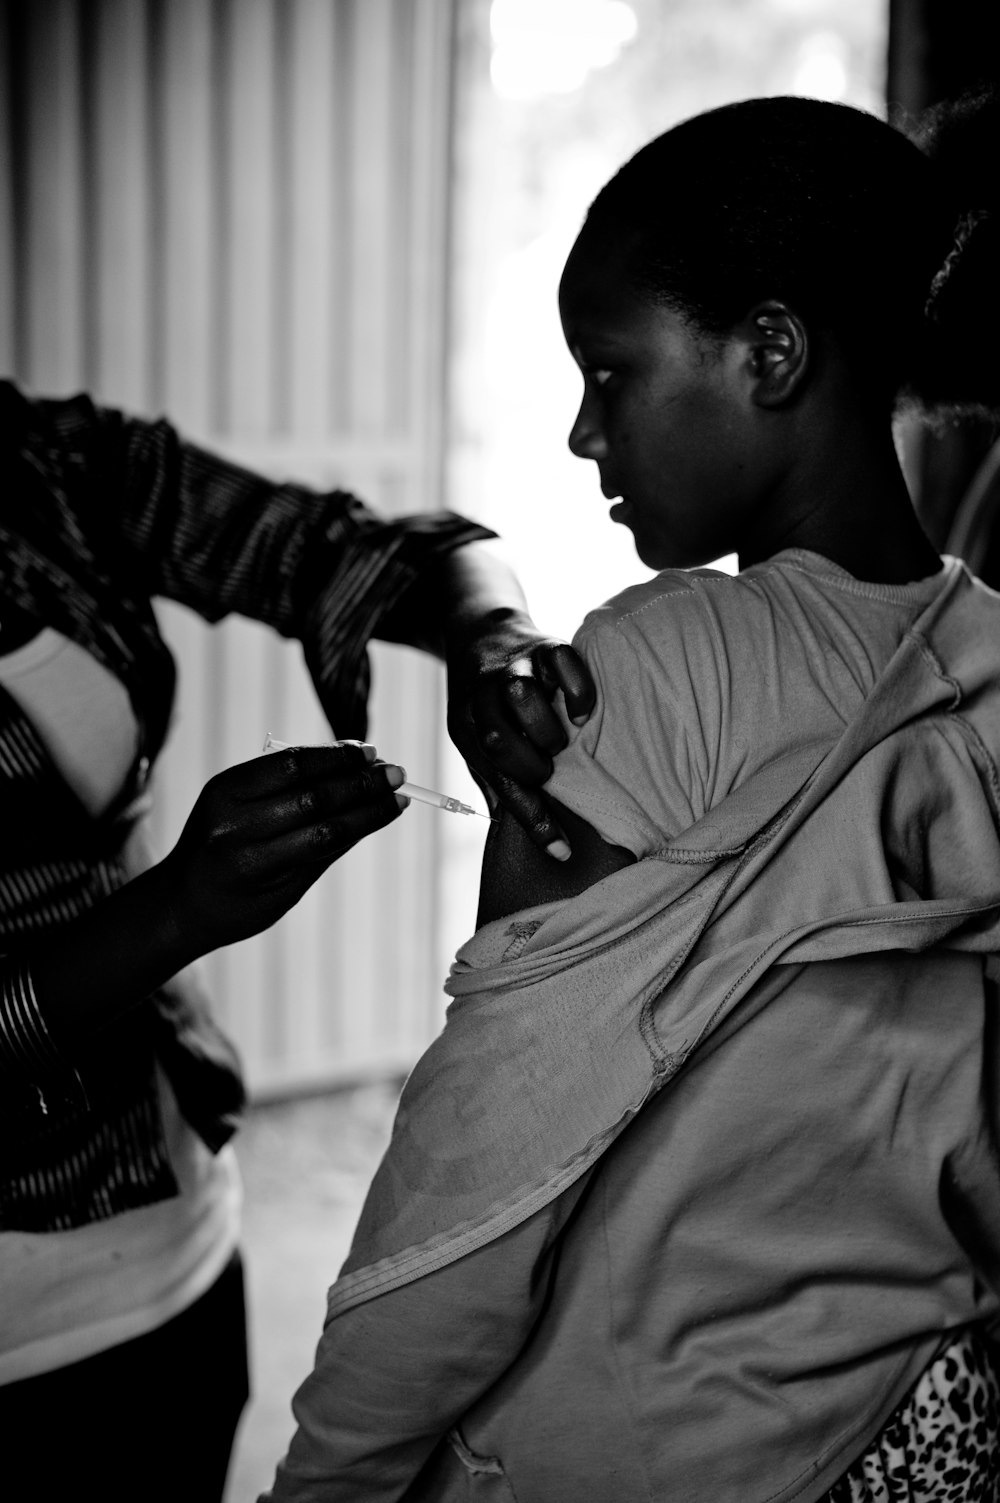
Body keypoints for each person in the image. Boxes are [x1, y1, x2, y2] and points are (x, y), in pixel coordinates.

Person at [258, 86, 1000, 1503]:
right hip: (924, 1432)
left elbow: (478, 1184)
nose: (584, 438)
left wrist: (330, 1475)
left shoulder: (664, 669)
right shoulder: (987, 653)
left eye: (611, 375)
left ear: (770, 353)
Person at [0, 377, 596, 1502]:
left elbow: (355, 552)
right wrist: (173, 911)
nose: (587, 432)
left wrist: (490, 632)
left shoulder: (42, 465)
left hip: (177, 1236)